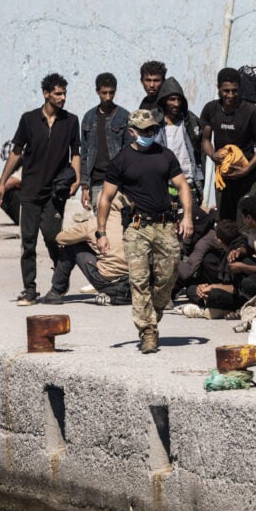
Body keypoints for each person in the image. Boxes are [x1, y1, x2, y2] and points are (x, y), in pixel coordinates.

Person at [95, 109, 194, 353]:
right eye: (145, 130)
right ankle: (148, 331)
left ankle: (153, 314)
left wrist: (187, 216)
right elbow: (106, 198)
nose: (150, 133)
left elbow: (182, 186)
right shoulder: (122, 160)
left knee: (169, 275)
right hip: (137, 227)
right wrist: (101, 232)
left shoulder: (166, 155)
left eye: (153, 129)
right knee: (139, 281)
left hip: (164, 225)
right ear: (132, 132)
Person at [0, 73, 82, 306]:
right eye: (58, 93)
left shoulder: (71, 121)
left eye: (64, 93)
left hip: (56, 191)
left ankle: (59, 282)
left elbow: (76, 152)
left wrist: (77, 178)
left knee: (54, 238)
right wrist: (3, 182)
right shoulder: (29, 119)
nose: (63, 98)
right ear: (46, 94)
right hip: (31, 190)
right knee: (28, 242)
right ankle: (30, 289)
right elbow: (16, 152)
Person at [200, 68, 256, 223]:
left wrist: (247, 169)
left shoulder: (251, 111)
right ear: (218, 88)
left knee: (247, 223)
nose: (230, 95)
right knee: (225, 224)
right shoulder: (211, 109)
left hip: (247, 178)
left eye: (234, 91)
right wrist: (212, 155)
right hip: (223, 176)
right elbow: (205, 140)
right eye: (226, 91)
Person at [79, 72, 128, 212]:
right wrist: (84, 187)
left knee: (119, 223)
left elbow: (129, 151)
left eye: (111, 93)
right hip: (97, 182)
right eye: (104, 93)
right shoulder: (88, 118)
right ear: (97, 92)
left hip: (119, 182)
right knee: (100, 224)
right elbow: (84, 154)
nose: (108, 97)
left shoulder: (123, 116)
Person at [153, 77, 204, 202]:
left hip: (189, 184)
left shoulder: (190, 122)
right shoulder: (155, 124)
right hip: (163, 186)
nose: (176, 103)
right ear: (164, 100)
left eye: (178, 99)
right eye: (172, 99)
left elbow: (199, 155)